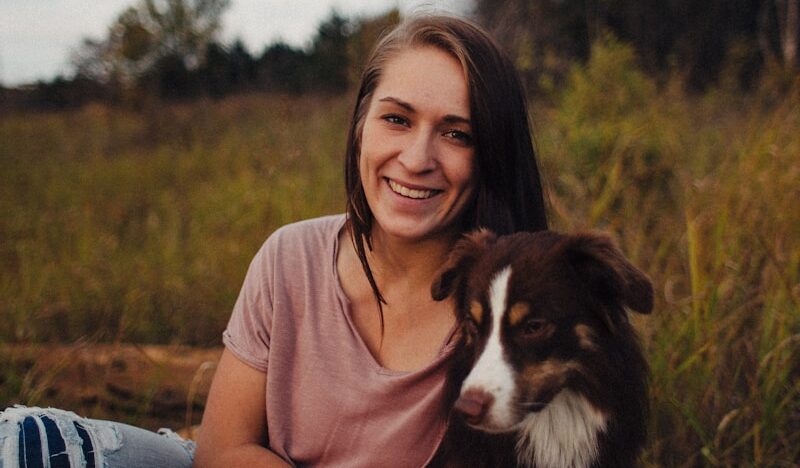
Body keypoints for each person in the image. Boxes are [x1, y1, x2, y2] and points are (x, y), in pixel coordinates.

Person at [0, 14, 547, 468]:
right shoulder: (291, 257)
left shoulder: (512, 311)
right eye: (397, 119)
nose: (418, 158)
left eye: (457, 133)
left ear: (492, 154)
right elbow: (221, 451)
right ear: (361, 126)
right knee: (22, 442)